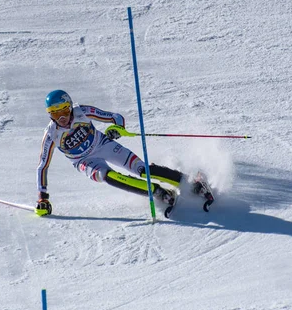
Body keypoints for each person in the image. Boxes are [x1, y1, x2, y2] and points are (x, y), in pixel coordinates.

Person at [35, 89, 211, 216]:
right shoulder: (51, 135)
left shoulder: (82, 111)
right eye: (55, 114)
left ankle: (190, 182)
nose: (62, 118)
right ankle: (157, 192)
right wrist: (43, 197)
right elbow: (42, 166)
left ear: (70, 106)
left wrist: (117, 129)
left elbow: (116, 117)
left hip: (103, 145)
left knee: (140, 169)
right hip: (84, 162)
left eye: (64, 110)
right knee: (106, 175)